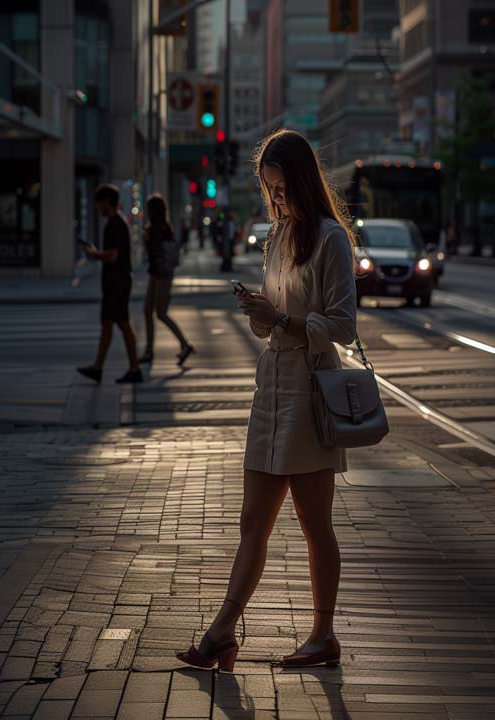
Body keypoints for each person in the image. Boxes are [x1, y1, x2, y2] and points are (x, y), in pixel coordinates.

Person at [176, 129, 357, 671]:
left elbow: (344, 325)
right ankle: (222, 633)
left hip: (310, 395)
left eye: (282, 188)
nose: (276, 199)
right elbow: (274, 325)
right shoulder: (277, 238)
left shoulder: (331, 239)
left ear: (303, 180)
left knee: (313, 524)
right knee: (251, 521)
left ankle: (322, 635)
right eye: (268, 189)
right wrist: (262, 314)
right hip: (271, 390)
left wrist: (280, 320)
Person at [77, 184, 142, 384]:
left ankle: (134, 369)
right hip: (115, 283)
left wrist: (94, 254)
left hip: (117, 283)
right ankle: (98, 368)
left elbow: (113, 256)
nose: (97, 206)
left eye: (98, 202)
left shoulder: (115, 224)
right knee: (107, 324)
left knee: (122, 324)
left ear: (107, 202)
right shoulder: (117, 222)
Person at [140, 193, 195, 366]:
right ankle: (149, 350)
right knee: (148, 311)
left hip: (160, 275)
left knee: (160, 313)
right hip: (159, 274)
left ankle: (185, 345)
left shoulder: (156, 229)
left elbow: (155, 255)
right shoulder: (165, 227)